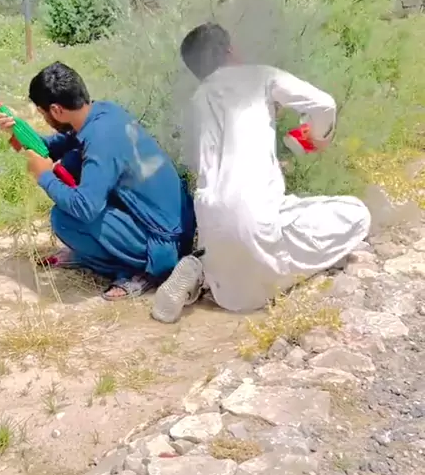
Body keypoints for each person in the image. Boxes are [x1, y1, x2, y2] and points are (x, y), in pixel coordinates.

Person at [152, 22, 371, 323]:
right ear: (230, 50)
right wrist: (319, 136)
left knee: (235, 271)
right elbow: (324, 105)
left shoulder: (198, 100)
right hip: (256, 224)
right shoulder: (261, 76)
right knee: (356, 214)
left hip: (212, 230)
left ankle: (202, 271)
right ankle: (239, 272)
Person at [0, 62, 195, 299]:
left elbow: (85, 207)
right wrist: (19, 133)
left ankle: (139, 271)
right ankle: (109, 254)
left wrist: (44, 176)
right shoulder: (102, 113)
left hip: (164, 246)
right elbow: (52, 148)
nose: (45, 118)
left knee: (64, 219)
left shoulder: (100, 140)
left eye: (43, 113)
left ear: (56, 110)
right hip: (175, 225)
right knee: (73, 160)